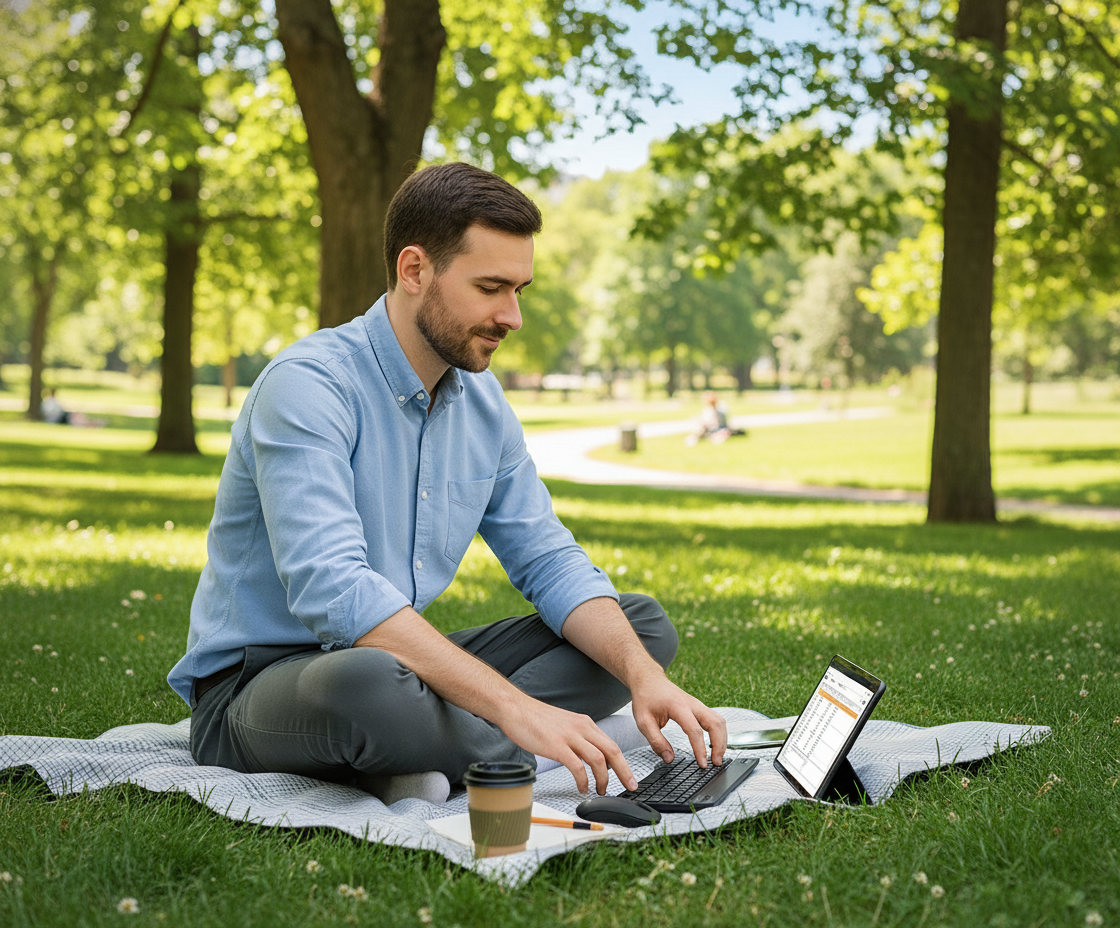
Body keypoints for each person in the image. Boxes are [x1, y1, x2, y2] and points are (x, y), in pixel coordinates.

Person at [168, 163, 726, 805]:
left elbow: (548, 559)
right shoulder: (308, 385)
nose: (512, 315)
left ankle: (429, 748)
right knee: (368, 686)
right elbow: (334, 591)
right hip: (262, 684)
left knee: (638, 629)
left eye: (520, 290)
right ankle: (516, 745)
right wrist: (517, 707)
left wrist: (643, 676)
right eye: (491, 287)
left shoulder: (484, 406)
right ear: (414, 271)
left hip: (395, 663)